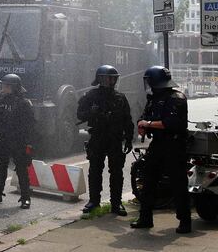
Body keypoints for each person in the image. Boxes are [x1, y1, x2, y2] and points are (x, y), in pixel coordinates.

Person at [131, 66, 191, 233]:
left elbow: (170, 123)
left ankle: (185, 221)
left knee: (178, 184)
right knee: (148, 182)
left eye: (149, 81)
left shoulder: (176, 98)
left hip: (174, 146)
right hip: (157, 145)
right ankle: (145, 218)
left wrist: (148, 124)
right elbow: (144, 116)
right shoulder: (153, 98)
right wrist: (141, 124)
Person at [77, 65, 134, 216]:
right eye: (109, 78)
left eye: (114, 78)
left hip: (115, 139)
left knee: (116, 172)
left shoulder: (120, 97)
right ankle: (94, 201)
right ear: (101, 79)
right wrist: (92, 113)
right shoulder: (91, 95)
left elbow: (127, 120)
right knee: (95, 170)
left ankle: (116, 203)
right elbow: (80, 114)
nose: (112, 81)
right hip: (98, 137)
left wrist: (129, 139)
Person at [0, 74, 34, 209]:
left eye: (7, 86)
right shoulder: (0, 102)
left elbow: (30, 124)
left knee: (21, 169)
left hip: (19, 140)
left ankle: (25, 197)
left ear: (14, 87)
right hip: (3, 139)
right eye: (3, 85)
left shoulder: (24, 103)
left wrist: (28, 143)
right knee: (0, 167)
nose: (3, 88)